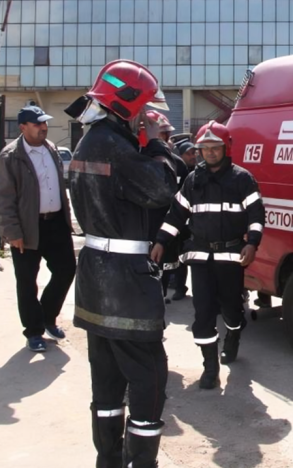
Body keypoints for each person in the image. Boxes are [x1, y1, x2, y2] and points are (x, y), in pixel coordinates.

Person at [66, 59, 178, 468]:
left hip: (96, 281)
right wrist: (158, 143)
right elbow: (163, 188)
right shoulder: (118, 148)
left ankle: (108, 460)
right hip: (126, 288)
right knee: (149, 378)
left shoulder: (89, 141)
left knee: (108, 383)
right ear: (129, 105)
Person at [151, 121, 265, 390]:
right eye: (205, 148)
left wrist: (253, 243)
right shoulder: (193, 180)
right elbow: (176, 215)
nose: (210, 153)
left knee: (232, 309)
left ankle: (234, 336)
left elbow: (257, 215)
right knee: (202, 315)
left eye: (215, 148)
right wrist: (161, 241)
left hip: (231, 256)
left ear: (226, 148)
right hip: (201, 257)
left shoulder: (242, 179)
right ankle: (210, 367)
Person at [0, 106, 76, 352]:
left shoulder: (51, 148)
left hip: (55, 224)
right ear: (23, 127)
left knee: (66, 269)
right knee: (26, 281)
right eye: (37, 124)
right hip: (26, 227)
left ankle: (47, 316)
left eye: (44, 123)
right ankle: (33, 331)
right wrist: (12, 232)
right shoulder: (11, 156)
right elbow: (5, 198)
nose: (43, 127)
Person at [145, 111, 190, 304]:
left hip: (167, 225)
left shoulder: (177, 164)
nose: (163, 139)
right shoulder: (135, 160)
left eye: (165, 134)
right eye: (159, 133)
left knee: (165, 266)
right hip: (140, 227)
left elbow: (183, 198)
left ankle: (162, 296)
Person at [168, 140, 198, 301]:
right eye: (189, 153)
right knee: (179, 257)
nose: (193, 156)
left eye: (194, 153)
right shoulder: (177, 169)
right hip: (179, 221)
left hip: (194, 224)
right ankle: (180, 287)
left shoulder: (200, 172)